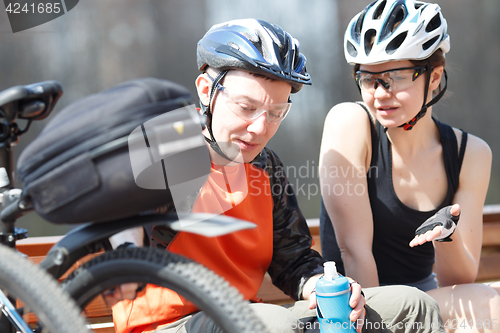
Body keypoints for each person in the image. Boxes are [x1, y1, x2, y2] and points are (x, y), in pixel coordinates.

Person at [109, 18, 446, 333]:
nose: (259, 128)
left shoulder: (264, 166)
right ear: (205, 90)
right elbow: (120, 218)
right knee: (272, 323)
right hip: (166, 324)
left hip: (250, 316)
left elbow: (294, 261)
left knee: (411, 306)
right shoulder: (169, 144)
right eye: (246, 107)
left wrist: (327, 289)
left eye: (275, 113)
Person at [318, 1, 500, 332]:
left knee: (492, 306)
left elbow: (458, 280)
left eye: (396, 77)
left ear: (434, 78)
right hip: (353, 306)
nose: (379, 93)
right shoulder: (350, 123)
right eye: (368, 78)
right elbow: (354, 251)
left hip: (425, 298)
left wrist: (446, 235)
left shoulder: (470, 153)